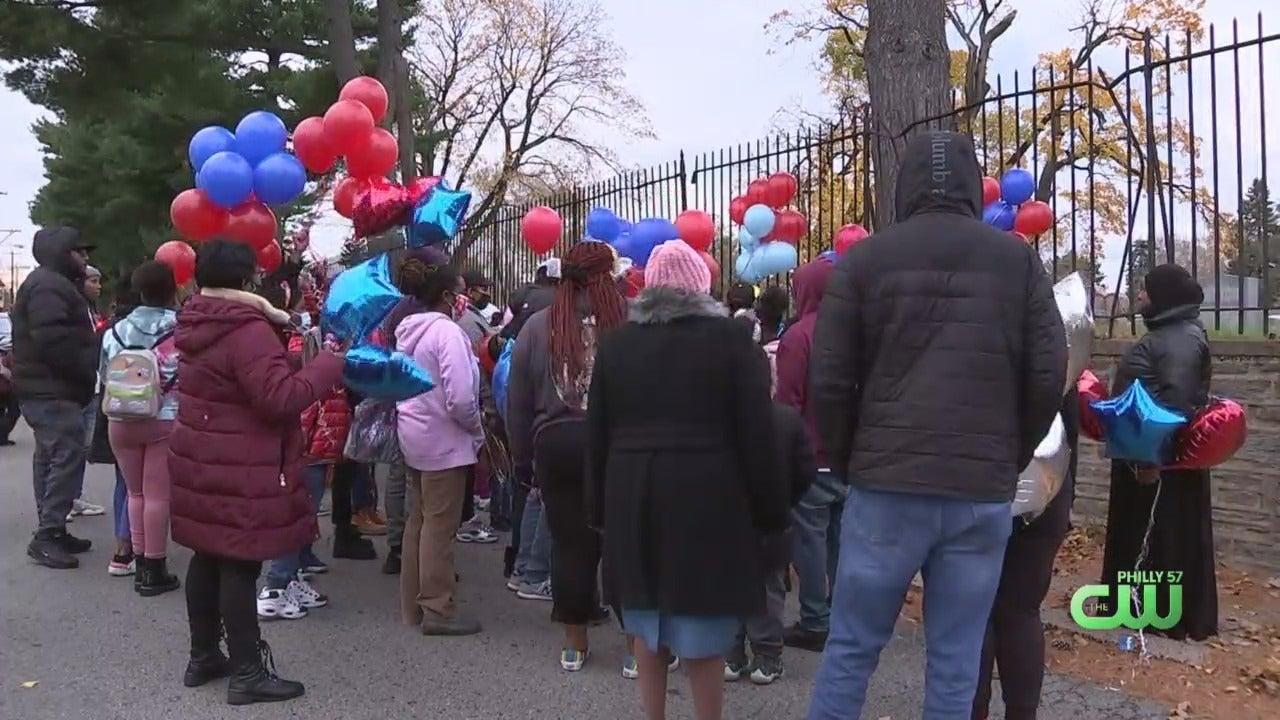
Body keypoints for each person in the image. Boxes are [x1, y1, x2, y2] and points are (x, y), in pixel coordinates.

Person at [806, 131, 1067, 719]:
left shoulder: (866, 259)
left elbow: (829, 377)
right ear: (975, 186)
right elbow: (1049, 371)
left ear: (905, 186)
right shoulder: (1017, 261)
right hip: (978, 488)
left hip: (886, 483)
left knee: (850, 649)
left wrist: (851, 461)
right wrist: (1011, 453)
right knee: (956, 661)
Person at [587, 239, 789, 720]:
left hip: (632, 489)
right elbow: (757, 433)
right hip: (709, 493)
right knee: (704, 623)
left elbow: (597, 431)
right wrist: (770, 513)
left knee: (645, 618)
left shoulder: (617, 346)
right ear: (701, 285)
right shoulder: (732, 342)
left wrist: (597, 509)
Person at [168, 239, 346, 705]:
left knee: (207, 555)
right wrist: (327, 365)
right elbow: (278, 399)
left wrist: (285, 364)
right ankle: (247, 672)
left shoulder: (199, 318)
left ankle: (203, 654)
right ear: (247, 279)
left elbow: (234, 378)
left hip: (204, 455)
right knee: (240, 563)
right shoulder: (246, 328)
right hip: (241, 460)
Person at [508, 241, 628, 671]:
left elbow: (518, 397)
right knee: (623, 541)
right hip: (617, 442)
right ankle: (637, 651)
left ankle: (574, 644)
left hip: (556, 442)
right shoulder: (627, 320)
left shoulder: (540, 325)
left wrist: (521, 457)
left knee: (570, 544)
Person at [1099, 263, 1217, 641]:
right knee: (1144, 536)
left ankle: (1161, 615)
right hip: (1144, 457)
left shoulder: (1178, 338)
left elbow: (1176, 403)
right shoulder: (1171, 333)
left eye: (1145, 290)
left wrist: (1152, 460)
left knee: (1160, 538)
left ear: (1163, 296)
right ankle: (1137, 607)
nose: (1138, 296)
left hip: (1156, 465)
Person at [972, 389, 1078, 720]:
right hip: (1048, 484)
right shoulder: (1057, 342)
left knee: (975, 613)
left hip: (980, 482)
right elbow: (1069, 428)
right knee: (1021, 611)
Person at [395, 258, 485, 637]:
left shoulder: (408, 331)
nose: (465, 298)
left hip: (415, 433)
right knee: (440, 526)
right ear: (448, 296)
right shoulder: (446, 334)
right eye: (462, 292)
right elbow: (462, 397)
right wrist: (477, 430)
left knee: (419, 519)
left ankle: (413, 604)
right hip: (445, 440)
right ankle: (438, 606)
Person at [725, 336, 816, 687]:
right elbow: (805, 470)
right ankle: (767, 654)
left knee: (728, 586)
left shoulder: (719, 424)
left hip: (727, 521)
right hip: (774, 519)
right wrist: (786, 498)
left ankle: (732, 653)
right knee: (769, 589)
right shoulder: (787, 420)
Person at [11, 226, 100, 569]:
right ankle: (48, 534)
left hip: (47, 387)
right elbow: (53, 341)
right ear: (63, 254)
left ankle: (53, 527)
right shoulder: (49, 285)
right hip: (51, 389)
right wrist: (84, 369)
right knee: (66, 452)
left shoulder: (51, 283)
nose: (85, 258)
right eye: (79, 251)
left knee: (51, 455)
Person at [102, 261, 182, 596]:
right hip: (163, 417)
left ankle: (136, 562)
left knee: (134, 493)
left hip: (120, 418)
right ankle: (154, 567)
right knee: (157, 496)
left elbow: (104, 377)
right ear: (172, 290)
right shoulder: (182, 328)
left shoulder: (115, 330)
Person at [775, 257, 843, 652]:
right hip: (847, 457)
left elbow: (788, 401)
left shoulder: (799, 337)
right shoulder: (857, 333)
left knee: (810, 542)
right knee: (838, 541)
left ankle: (816, 620)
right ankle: (837, 612)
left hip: (811, 457)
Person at [381, 246, 450, 575]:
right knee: (423, 486)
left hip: (399, 397)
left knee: (400, 476)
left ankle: (399, 547)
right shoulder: (433, 316)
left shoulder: (396, 310)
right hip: (429, 405)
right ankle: (421, 554)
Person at [88, 272, 140, 576]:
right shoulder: (169, 326)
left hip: (118, 411)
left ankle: (123, 545)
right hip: (157, 413)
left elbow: (103, 375)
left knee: (125, 480)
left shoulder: (110, 331)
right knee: (150, 486)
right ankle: (134, 548)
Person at [71, 265, 107, 519]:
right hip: (76, 387)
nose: (98, 286)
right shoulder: (71, 309)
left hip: (92, 387)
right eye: (93, 281)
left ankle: (74, 496)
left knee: (83, 448)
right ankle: (60, 501)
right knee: (66, 448)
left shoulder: (90, 311)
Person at [500, 258, 559, 342]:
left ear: (540, 274)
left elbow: (507, 319)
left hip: (518, 343)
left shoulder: (525, 291)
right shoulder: (564, 297)